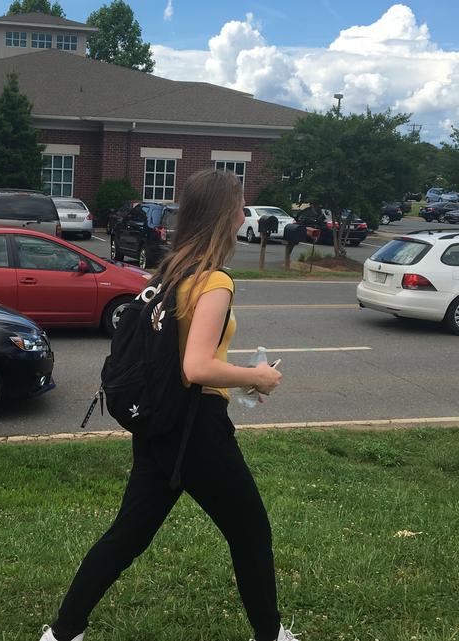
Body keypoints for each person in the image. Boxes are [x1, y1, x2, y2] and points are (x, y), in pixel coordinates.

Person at [38, 169, 295, 641]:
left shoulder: (172, 271)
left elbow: (182, 357)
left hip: (158, 421)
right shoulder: (215, 280)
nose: (244, 215)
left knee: (129, 534)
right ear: (224, 215)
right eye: (239, 206)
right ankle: (271, 635)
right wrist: (256, 378)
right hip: (196, 426)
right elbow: (196, 367)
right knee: (251, 533)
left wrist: (232, 379)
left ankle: (62, 633)